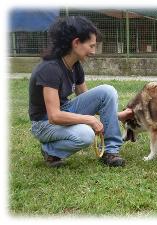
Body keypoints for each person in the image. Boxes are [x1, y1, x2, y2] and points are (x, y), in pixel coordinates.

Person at [29, 16, 132, 167]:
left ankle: (111, 152)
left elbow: (89, 102)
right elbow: (54, 116)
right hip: (43, 123)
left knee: (107, 91)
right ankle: (50, 150)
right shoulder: (50, 68)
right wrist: (89, 120)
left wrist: (116, 115)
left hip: (63, 111)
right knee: (85, 135)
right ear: (76, 43)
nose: (94, 51)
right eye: (91, 46)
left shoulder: (75, 65)